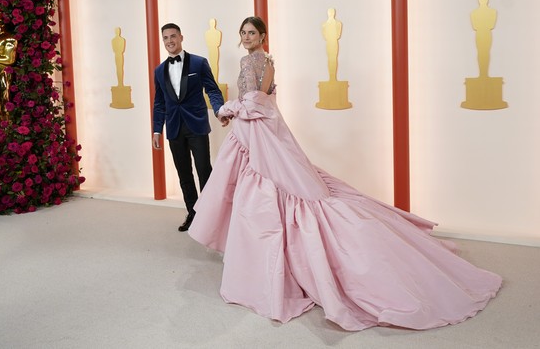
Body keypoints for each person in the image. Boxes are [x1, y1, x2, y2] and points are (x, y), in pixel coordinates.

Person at [188, 16, 502, 331]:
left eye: (251, 33)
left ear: (262, 35)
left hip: (257, 130)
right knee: (262, 190)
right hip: (260, 132)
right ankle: (255, 258)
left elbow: (257, 102)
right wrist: (238, 108)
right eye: (243, 33)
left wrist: (230, 109)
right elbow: (265, 101)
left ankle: (261, 266)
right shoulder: (265, 61)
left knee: (264, 194)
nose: (246, 37)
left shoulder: (254, 61)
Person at [152, 23, 228, 232]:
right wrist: (157, 130)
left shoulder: (199, 63)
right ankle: (193, 214)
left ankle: (211, 216)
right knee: (184, 174)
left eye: (173, 36)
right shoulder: (159, 70)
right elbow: (159, 102)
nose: (169, 41)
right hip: (174, 127)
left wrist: (219, 110)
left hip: (196, 124)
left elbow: (212, 90)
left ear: (181, 37)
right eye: (165, 38)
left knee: (204, 170)